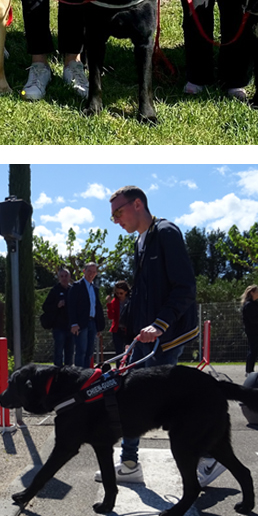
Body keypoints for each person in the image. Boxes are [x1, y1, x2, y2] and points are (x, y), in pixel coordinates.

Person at [106, 185, 199, 484]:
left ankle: (209, 457)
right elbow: (142, 293)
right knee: (132, 396)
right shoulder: (140, 242)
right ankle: (129, 462)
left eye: (118, 213)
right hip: (145, 337)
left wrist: (160, 323)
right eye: (113, 216)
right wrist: (131, 332)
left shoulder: (166, 233)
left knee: (163, 403)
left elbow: (185, 287)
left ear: (137, 204)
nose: (116, 220)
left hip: (167, 336)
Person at [66, 260, 99, 368]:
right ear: (84, 271)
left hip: (92, 322)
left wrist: (99, 326)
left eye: (94, 272)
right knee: (81, 351)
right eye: (89, 271)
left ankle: (87, 375)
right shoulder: (77, 286)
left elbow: (97, 307)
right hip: (81, 324)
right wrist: (74, 323)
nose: (91, 274)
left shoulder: (95, 288)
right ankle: (78, 375)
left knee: (89, 352)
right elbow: (71, 306)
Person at [39, 266, 73, 366]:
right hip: (59, 327)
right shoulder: (55, 290)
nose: (64, 278)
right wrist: (57, 305)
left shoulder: (73, 290)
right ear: (58, 278)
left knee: (70, 353)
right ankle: (57, 373)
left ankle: (68, 373)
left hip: (71, 327)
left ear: (69, 277)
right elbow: (45, 307)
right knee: (58, 353)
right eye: (62, 276)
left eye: (66, 276)